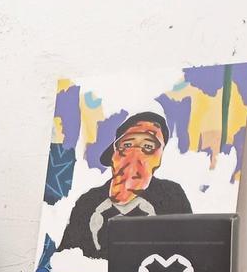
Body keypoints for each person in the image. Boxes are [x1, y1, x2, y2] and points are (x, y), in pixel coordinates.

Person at [58, 111, 192, 259]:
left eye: (148, 146)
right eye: (127, 145)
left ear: (159, 159)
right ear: (113, 155)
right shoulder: (88, 202)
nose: (135, 155)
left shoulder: (172, 197)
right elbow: (64, 261)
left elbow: (189, 256)